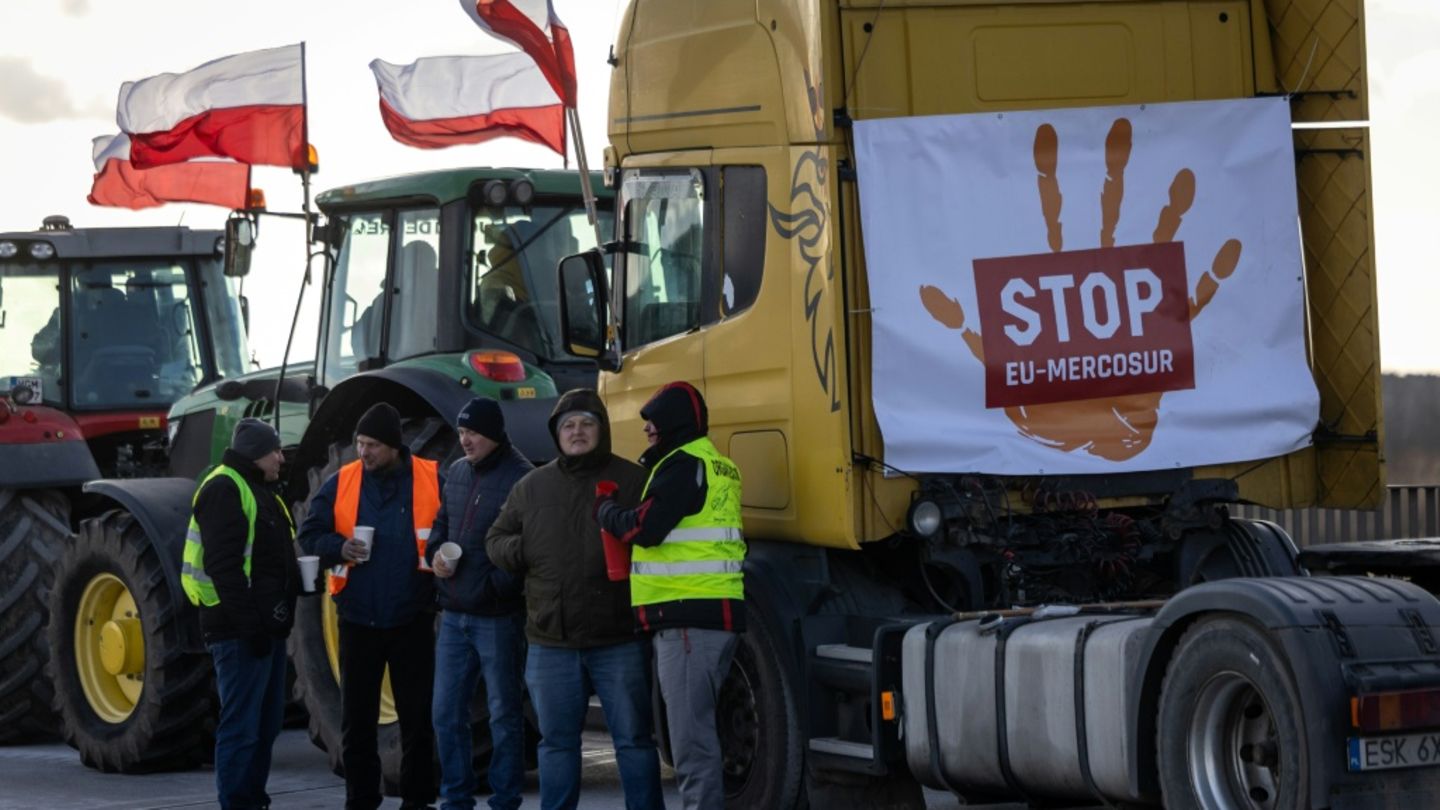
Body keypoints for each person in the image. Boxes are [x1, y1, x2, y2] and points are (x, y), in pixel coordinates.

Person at [485, 389, 664, 810]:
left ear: (601, 430)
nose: (577, 432)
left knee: (635, 742)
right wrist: (524, 550)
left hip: (618, 638)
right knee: (557, 745)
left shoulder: (631, 480)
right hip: (551, 642)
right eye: (568, 425)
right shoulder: (531, 486)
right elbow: (495, 539)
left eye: (587, 423)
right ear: (556, 434)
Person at [595, 382, 745, 810]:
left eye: (653, 424)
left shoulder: (683, 466)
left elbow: (646, 527)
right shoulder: (714, 464)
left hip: (687, 619)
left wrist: (606, 513)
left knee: (691, 743)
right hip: (707, 614)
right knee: (697, 734)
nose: (647, 432)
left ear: (675, 423)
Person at [298, 402, 442, 810]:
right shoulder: (343, 481)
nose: (364, 452)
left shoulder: (431, 479)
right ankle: (361, 799)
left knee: (417, 720)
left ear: (395, 446)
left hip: (412, 618)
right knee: (356, 721)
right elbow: (310, 533)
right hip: (358, 619)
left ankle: (418, 800)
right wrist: (338, 547)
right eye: (360, 443)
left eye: (373, 445)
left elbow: (453, 527)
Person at [182, 417, 300, 810]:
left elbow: (271, 560)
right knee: (242, 726)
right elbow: (223, 566)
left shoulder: (263, 491)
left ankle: (252, 799)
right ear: (256, 453)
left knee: (265, 727)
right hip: (236, 631)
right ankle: (237, 803)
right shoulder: (224, 488)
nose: (281, 458)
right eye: (276, 451)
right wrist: (250, 626)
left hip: (266, 629)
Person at [428, 397, 534, 810]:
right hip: (453, 615)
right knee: (445, 713)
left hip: (497, 616)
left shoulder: (522, 478)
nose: (465, 440)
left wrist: (496, 586)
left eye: (472, 432)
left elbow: (528, 547)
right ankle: (456, 797)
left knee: (505, 714)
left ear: (492, 433)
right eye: (461, 432)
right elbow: (441, 526)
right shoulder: (455, 472)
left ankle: (506, 799)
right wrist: (434, 555)